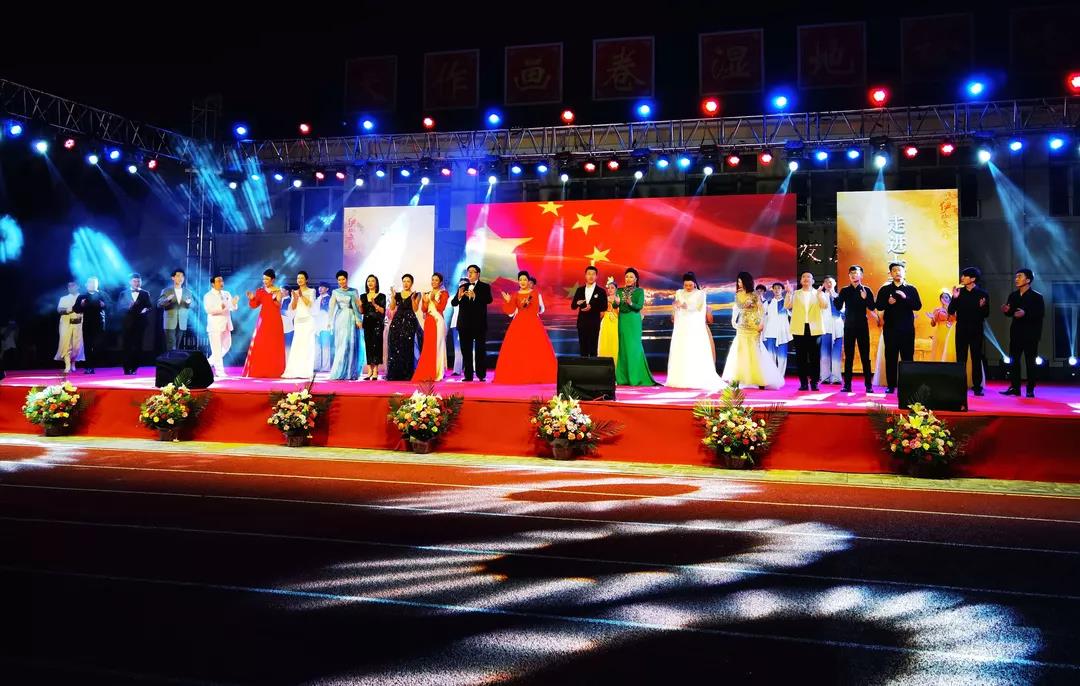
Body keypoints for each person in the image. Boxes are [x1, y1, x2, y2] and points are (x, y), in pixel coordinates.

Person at [723, 272, 785, 390]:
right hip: (742, 326)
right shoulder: (738, 294)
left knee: (755, 352)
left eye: (741, 281)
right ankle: (738, 378)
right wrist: (736, 318)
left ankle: (760, 380)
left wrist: (761, 323)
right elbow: (738, 308)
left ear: (746, 281)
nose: (739, 284)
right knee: (740, 352)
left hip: (754, 326)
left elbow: (761, 310)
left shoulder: (755, 294)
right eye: (738, 282)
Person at [493, 271, 557, 384]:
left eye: (525, 280)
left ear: (528, 281)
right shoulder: (515, 294)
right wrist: (508, 301)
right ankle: (518, 374)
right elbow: (511, 312)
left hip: (533, 323)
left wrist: (528, 303)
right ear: (518, 281)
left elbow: (538, 310)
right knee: (518, 349)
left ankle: (537, 375)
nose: (522, 282)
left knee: (535, 349)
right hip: (519, 323)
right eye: (520, 279)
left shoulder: (535, 293)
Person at [667, 272, 723, 390]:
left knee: (694, 349)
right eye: (686, 285)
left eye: (690, 285)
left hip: (694, 326)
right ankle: (681, 378)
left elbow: (699, 308)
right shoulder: (679, 292)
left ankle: (696, 377)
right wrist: (675, 306)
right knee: (682, 349)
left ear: (694, 284)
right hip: (682, 325)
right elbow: (676, 307)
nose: (688, 287)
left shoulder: (700, 294)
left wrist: (685, 306)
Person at [875, 262, 922, 394]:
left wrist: (905, 298)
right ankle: (891, 385)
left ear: (904, 272)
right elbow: (878, 306)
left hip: (907, 329)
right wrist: (888, 302)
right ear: (890, 273)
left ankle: (908, 385)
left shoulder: (911, 289)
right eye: (894, 270)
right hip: (890, 329)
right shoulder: (885, 289)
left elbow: (918, 306)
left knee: (908, 357)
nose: (897, 272)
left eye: (900, 270)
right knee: (890, 357)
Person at [1001, 268, 1045, 398]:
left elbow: (1040, 314)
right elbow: (1011, 312)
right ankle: (1015, 387)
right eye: (1016, 277)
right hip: (1016, 333)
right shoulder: (1013, 295)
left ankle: (1030, 389)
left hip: (1031, 334)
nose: (1016, 279)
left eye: (1019, 276)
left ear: (1028, 280)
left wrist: (1025, 313)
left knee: (1030, 362)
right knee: (1014, 361)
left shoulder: (1037, 297)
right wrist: (1007, 310)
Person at [948, 266, 990, 397]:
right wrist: (954, 298)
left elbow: (986, 314)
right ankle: (960, 385)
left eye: (965, 276)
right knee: (961, 358)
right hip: (961, 329)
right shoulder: (959, 292)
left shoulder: (982, 294)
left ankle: (977, 386)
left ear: (973, 279)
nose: (962, 278)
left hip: (976, 329)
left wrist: (982, 307)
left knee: (976, 357)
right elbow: (950, 311)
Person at [835, 266, 878, 394]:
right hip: (848, 326)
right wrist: (834, 295)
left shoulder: (866, 290)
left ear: (861, 275)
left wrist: (865, 298)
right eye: (851, 273)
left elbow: (872, 307)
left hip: (862, 326)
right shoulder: (845, 290)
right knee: (849, 356)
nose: (854, 275)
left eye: (856, 273)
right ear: (849, 276)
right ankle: (847, 385)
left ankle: (868, 385)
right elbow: (838, 307)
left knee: (865, 356)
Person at [785, 272, 828, 391]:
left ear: (813, 281)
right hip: (799, 328)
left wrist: (819, 295)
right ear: (800, 281)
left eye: (808, 277)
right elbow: (787, 306)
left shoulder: (818, 292)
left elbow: (824, 306)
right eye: (803, 277)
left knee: (815, 357)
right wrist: (789, 293)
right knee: (801, 357)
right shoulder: (795, 293)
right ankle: (803, 383)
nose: (806, 278)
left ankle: (814, 382)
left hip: (815, 329)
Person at [614, 267, 656, 386]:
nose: (628, 279)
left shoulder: (639, 291)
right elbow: (615, 306)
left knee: (634, 347)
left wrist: (630, 303)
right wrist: (616, 303)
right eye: (627, 276)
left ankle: (636, 377)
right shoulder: (619, 291)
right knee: (623, 347)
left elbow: (639, 306)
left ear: (635, 279)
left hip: (633, 320)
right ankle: (623, 378)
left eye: (631, 277)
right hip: (623, 320)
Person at [451, 264, 493, 382]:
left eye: (472, 272)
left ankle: (481, 374)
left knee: (480, 350)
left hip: (479, 324)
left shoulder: (485, 286)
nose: (469, 274)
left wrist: (475, 296)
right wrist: (459, 296)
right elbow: (454, 303)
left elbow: (489, 300)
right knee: (466, 350)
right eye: (468, 271)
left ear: (478, 274)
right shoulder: (463, 286)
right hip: (464, 324)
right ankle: (468, 375)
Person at [242, 269, 286, 378]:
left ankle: (274, 370)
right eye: (263, 279)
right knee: (260, 343)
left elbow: (278, 305)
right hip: (263, 320)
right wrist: (252, 298)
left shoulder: (278, 291)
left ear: (273, 279)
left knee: (273, 344)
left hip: (275, 320)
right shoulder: (260, 291)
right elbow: (254, 305)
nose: (264, 281)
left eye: (267, 279)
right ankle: (259, 370)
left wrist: (274, 298)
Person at [327, 270, 364, 381]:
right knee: (341, 344)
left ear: (347, 279)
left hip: (351, 318)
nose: (341, 281)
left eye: (343, 279)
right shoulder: (335, 292)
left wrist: (358, 320)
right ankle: (339, 370)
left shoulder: (353, 291)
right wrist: (329, 321)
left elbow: (356, 307)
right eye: (339, 280)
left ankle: (350, 372)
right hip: (340, 319)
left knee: (350, 344)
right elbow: (331, 308)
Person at [413, 273, 449, 382]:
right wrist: (425, 301)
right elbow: (424, 309)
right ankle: (428, 371)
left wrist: (433, 300)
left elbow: (441, 308)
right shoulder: (427, 293)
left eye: (436, 280)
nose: (434, 282)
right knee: (428, 347)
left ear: (440, 282)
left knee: (438, 346)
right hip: (429, 321)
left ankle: (438, 372)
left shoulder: (443, 293)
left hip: (438, 321)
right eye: (432, 279)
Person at [386, 274, 422, 380]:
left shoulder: (416, 294)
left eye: (408, 281)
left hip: (410, 322)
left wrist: (412, 299)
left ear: (412, 283)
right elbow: (392, 307)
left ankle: (407, 372)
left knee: (408, 346)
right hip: (397, 322)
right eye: (404, 281)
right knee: (396, 346)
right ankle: (396, 373)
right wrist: (393, 297)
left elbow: (415, 309)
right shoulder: (397, 294)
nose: (406, 283)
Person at [283, 270, 317, 379]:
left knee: (307, 345)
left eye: (302, 278)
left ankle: (306, 371)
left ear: (306, 280)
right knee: (297, 345)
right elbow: (292, 308)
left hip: (308, 321)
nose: (299, 280)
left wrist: (302, 296)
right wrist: (295, 299)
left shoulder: (312, 291)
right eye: (298, 278)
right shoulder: (295, 292)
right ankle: (295, 370)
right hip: (298, 321)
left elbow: (311, 305)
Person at [203, 274, 238, 377]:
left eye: (222, 281)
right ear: (213, 284)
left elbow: (232, 308)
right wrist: (222, 307)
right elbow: (209, 310)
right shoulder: (208, 296)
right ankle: (219, 371)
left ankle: (207, 363)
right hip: (215, 326)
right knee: (217, 349)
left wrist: (234, 303)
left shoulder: (226, 293)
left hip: (226, 324)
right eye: (218, 281)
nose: (221, 283)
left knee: (227, 346)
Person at [570, 265, 607, 357]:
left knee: (593, 349)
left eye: (593, 274)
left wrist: (592, 308)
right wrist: (577, 303)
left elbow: (604, 307)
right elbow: (573, 306)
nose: (591, 276)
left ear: (596, 276)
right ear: (585, 276)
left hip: (594, 324)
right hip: (582, 323)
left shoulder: (601, 291)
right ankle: (583, 366)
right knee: (583, 349)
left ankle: (593, 366)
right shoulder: (579, 290)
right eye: (589, 274)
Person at [73, 277, 108, 374]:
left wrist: (104, 305)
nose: (93, 284)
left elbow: (111, 306)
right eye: (90, 283)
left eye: (94, 283)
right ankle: (89, 367)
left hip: (100, 323)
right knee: (88, 346)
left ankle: (95, 364)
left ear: (97, 284)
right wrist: (81, 305)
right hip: (87, 323)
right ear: (86, 284)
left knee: (97, 346)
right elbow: (75, 309)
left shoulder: (102, 295)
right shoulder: (82, 296)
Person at [120, 272, 152, 375]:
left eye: (138, 281)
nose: (137, 283)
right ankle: (126, 368)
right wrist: (128, 307)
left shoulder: (145, 293)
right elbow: (119, 308)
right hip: (127, 323)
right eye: (134, 281)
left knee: (138, 345)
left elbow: (149, 306)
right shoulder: (124, 293)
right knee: (127, 345)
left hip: (140, 323)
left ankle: (134, 367)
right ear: (130, 282)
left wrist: (146, 309)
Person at [158, 268, 195, 351]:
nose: (180, 278)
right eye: (178, 276)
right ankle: (171, 358)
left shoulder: (188, 292)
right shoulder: (166, 291)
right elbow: (159, 304)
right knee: (171, 344)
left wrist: (189, 302)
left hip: (182, 321)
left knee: (177, 345)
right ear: (173, 278)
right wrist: (167, 299)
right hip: (170, 321)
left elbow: (193, 305)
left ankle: (174, 358)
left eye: (182, 276)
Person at [360, 274, 387, 380]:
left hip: (377, 323)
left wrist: (375, 304)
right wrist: (359, 305)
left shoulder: (381, 296)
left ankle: (375, 370)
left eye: (372, 281)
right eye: (368, 281)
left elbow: (383, 311)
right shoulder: (363, 296)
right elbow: (362, 312)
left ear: (376, 283)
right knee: (368, 346)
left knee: (377, 346)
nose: (370, 283)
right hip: (367, 323)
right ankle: (369, 370)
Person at [762, 282, 792, 378]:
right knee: (771, 356)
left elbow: (792, 313)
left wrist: (790, 294)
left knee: (782, 356)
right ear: (772, 290)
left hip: (782, 333)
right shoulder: (768, 302)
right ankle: (772, 376)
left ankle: (780, 377)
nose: (777, 290)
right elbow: (762, 316)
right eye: (775, 288)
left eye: (779, 288)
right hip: (770, 332)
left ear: (782, 290)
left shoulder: (786, 302)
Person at [818, 276, 844, 385]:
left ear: (835, 284)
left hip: (838, 327)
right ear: (823, 284)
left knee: (837, 353)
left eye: (831, 282)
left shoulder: (839, 296)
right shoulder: (820, 296)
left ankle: (836, 377)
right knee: (824, 352)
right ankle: (825, 376)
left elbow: (843, 311)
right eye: (826, 282)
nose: (829, 284)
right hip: (825, 327)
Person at [55, 281, 84, 374]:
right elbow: (59, 310)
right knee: (66, 344)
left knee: (77, 346)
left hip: (79, 324)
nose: (70, 287)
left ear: (78, 287)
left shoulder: (82, 297)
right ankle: (67, 365)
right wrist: (68, 310)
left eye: (73, 286)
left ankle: (73, 362)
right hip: (66, 324)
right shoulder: (64, 298)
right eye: (69, 286)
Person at [927, 292, 955, 363]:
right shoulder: (937, 310)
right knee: (939, 352)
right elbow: (933, 324)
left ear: (950, 299)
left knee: (949, 351)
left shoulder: (954, 309)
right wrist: (933, 318)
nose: (944, 299)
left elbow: (954, 319)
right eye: (942, 297)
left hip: (950, 332)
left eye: (946, 297)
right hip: (939, 333)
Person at [598, 278, 620, 364]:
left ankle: (616, 364)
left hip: (615, 322)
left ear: (616, 289)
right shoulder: (604, 299)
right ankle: (604, 364)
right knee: (605, 341)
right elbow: (601, 314)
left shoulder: (619, 299)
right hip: (606, 322)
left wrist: (616, 304)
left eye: (612, 287)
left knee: (615, 342)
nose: (610, 289)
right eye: (609, 288)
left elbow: (620, 314)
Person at [313, 284, 333, 373]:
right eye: (319, 287)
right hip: (317, 326)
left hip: (325, 325)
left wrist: (330, 324)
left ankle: (325, 367)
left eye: (322, 287)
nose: (320, 289)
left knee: (325, 346)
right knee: (317, 346)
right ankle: (316, 366)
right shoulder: (317, 299)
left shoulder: (330, 299)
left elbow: (331, 312)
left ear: (327, 289)